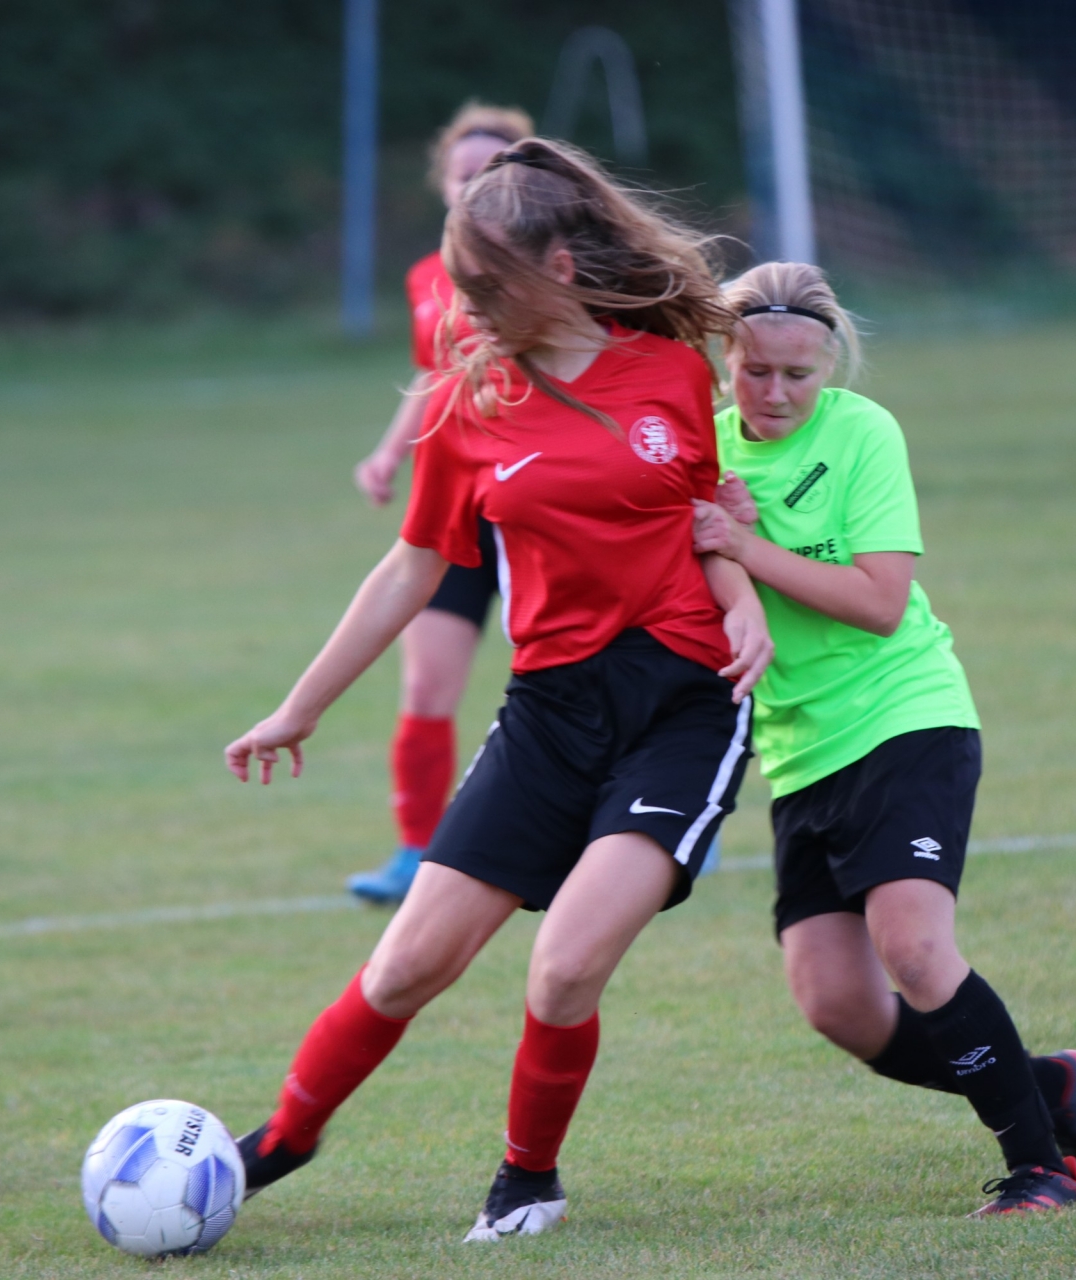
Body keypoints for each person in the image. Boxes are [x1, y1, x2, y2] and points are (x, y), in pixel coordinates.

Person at [224, 137, 771, 1241]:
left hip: (684, 699)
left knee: (563, 969)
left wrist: (745, 593)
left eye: (486, 284)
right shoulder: (466, 400)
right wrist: (301, 705)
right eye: (459, 283)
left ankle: (528, 1180)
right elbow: (411, 567)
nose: (465, 307)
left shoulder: (670, 369)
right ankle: (275, 1144)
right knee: (405, 964)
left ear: (559, 267)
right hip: (549, 709)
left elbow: (711, 511)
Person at [691, 262, 1076, 1217]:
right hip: (800, 752)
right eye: (754, 370)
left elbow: (880, 603)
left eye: (798, 373)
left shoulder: (863, 433)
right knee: (839, 1007)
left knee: (916, 950)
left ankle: (1041, 1170)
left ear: (830, 366)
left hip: (904, 716)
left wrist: (747, 543)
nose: (775, 392)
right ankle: (1055, 1086)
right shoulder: (703, 447)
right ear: (724, 359)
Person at [346, 102, 533, 905]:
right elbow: (434, 374)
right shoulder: (427, 276)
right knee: (425, 689)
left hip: (537, 507)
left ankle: (647, 817)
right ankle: (415, 853)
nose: (475, 186)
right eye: (464, 174)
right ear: (444, 186)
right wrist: (390, 451)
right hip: (454, 510)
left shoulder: (556, 270)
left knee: (578, 682)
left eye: (494, 173)